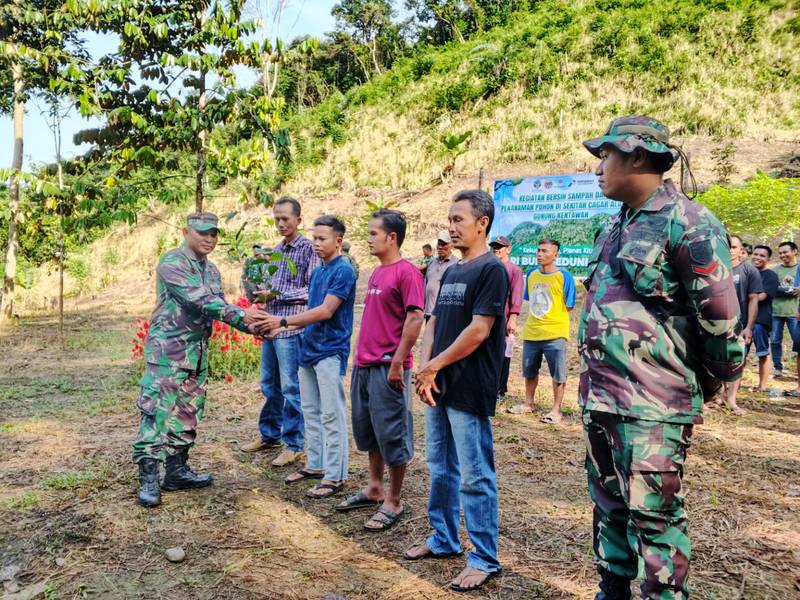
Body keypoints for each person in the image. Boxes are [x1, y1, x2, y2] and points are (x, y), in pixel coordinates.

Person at [579, 116, 743, 599]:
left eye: (605, 156)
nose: (598, 168)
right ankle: (612, 588)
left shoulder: (689, 223)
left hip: (654, 405)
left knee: (654, 515)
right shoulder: (616, 224)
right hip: (603, 398)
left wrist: (711, 382)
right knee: (608, 505)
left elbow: (721, 322)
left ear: (635, 156)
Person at [405, 190, 508, 593]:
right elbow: (433, 323)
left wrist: (434, 366)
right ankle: (443, 538)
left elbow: (479, 330)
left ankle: (483, 556)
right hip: (438, 385)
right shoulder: (450, 271)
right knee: (440, 466)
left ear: (482, 222)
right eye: (449, 219)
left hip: (468, 386)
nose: (451, 226)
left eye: (459, 219)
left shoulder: (491, 271)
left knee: (475, 474)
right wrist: (422, 367)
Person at [132, 213, 262, 507]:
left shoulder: (212, 270)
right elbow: (201, 300)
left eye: (214, 234)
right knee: (156, 412)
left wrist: (251, 321)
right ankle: (149, 477)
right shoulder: (172, 262)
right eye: (202, 233)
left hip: (197, 351)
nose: (209, 239)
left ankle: (176, 470)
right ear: (185, 231)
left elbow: (216, 307)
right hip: (168, 351)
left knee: (188, 412)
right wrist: (246, 320)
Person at [254, 216, 357, 499]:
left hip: (330, 351)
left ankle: (335, 476)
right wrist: (277, 326)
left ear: (338, 240)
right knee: (310, 409)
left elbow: (325, 311)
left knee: (331, 413)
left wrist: (283, 322)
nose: (316, 243)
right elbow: (311, 314)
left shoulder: (343, 271)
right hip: (308, 348)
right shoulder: (319, 272)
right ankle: (316, 464)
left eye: (322, 238)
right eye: (314, 238)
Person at [336, 209, 424, 531]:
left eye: (374, 233)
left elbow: (415, 319)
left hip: (389, 367)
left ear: (391, 237)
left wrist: (398, 362)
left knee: (393, 433)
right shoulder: (375, 273)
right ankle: (374, 487)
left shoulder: (408, 273)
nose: (368, 238)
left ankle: (394, 500)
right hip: (364, 364)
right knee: (370, 428)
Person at [242, 197, 322, 467]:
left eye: (286, 218)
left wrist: (278, 294)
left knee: (290, 387)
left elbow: (313, 291)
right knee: (269, 385)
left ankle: (295, 443)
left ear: (299, 220)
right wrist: (262, 298)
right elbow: (269, 288)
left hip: (290, 328)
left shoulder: (309, 250)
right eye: (276, 218)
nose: (280, 223)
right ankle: (269, 434)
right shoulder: (276, 252)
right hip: (272, 328)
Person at [507, 239, 576, 423]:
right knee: (529, 370)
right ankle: (528, 404)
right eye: (538, 250)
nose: (539, 254)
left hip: (555, 333)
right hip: (532, 331)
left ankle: (556, 410)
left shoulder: (565, 277)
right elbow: (530, 299)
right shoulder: (531, 274)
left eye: (545, 251)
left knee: (558, 373)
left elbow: (569, 306)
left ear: (556, 254)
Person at [714, 235, 762, 415]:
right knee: (714, 360)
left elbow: (753, 299)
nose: (730, 250)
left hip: (738, 324)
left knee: (736, 361)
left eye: (734, 247)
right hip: (715, 323)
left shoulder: (749, 271)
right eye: (727, 246)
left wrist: (749, 326)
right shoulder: (714, 268)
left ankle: (731, 401)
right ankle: (716, 397)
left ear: (741, 250)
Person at [489, 236, 523, 397]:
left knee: (503, 353)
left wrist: (513, 318)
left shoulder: (514, 270)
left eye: (500, 246)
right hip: (487, 317)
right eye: (494, 246)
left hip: (503, 318)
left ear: (508, 249)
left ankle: (500, 388)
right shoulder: (488, 267)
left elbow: (516, 296)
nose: (496, 249)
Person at [771, 241, 800, 393]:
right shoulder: (775, 270)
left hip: (795, 313)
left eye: (785, 252)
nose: (782, 255)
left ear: (795, 251)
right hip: (776, 311)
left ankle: (796, 373)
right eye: (780, 253)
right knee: (775, 340)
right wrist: (786, 291)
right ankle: (777, 368)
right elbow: (771, 288)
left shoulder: (799, 269)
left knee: (798, 341)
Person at [750, 245, 779, 393]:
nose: (758, 258)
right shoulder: (746, 272)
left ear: (768, 259)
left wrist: (744, 295)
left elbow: (761, 296)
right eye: (755, 254)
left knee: (762, 352)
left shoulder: (771, 276)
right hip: (743, 319)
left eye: (762, 255)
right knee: (739, 352)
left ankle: (762, 385)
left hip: (761, 320)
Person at [423, 230, 455, 321]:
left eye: (444, 244)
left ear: (451, 245)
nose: (440, 247)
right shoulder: (432, 262)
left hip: (444, 314)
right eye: (439, 244)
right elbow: (426, 283)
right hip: (429, 312)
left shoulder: (456, 264)